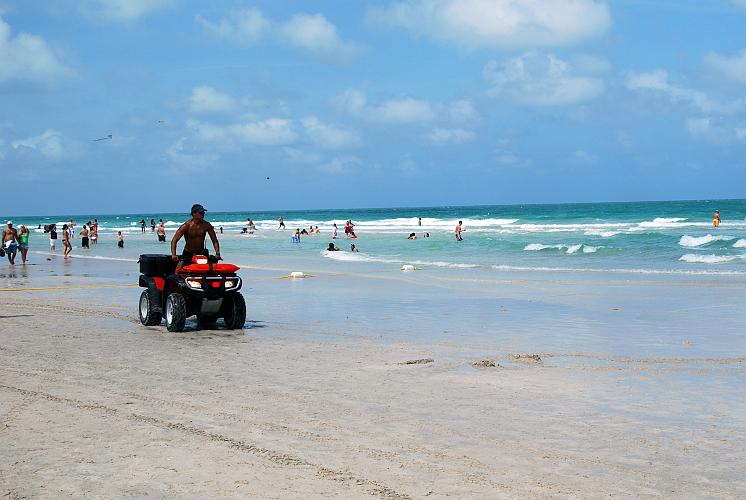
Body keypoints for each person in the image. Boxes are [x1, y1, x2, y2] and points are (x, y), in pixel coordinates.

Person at [170, 204, 220, 271]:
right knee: (178, 270)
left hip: (202, 253)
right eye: (201, 213)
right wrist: (174, 254)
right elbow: (174, 240)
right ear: (194, 213)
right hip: (188, 253)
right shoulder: (186, 226)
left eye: (203, 213)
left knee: (210, 270)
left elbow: (214, 240)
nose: (203, 214)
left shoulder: (206, 225)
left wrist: (217, 253)